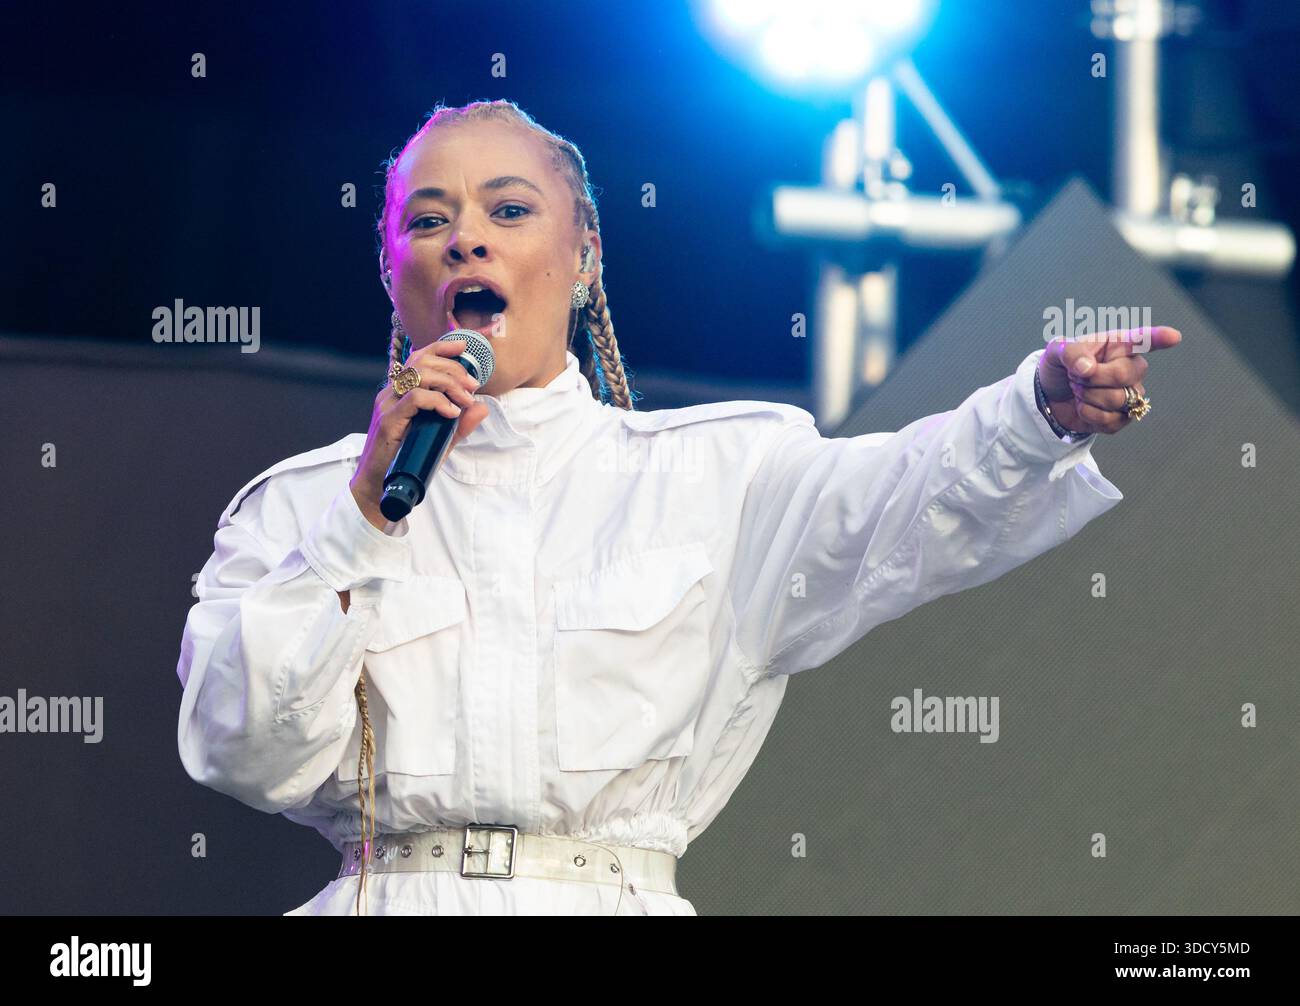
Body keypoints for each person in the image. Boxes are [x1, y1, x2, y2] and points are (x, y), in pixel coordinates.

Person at [175, 98, 1182, 916]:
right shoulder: (300, 505)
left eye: (509, 211)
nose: (466, 239)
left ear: (585, 258)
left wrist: (1038, 409)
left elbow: (905, 500)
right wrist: (364, 514)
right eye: (429, 219)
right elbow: (240, 746)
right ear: (395, 271)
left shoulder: (714, 475)